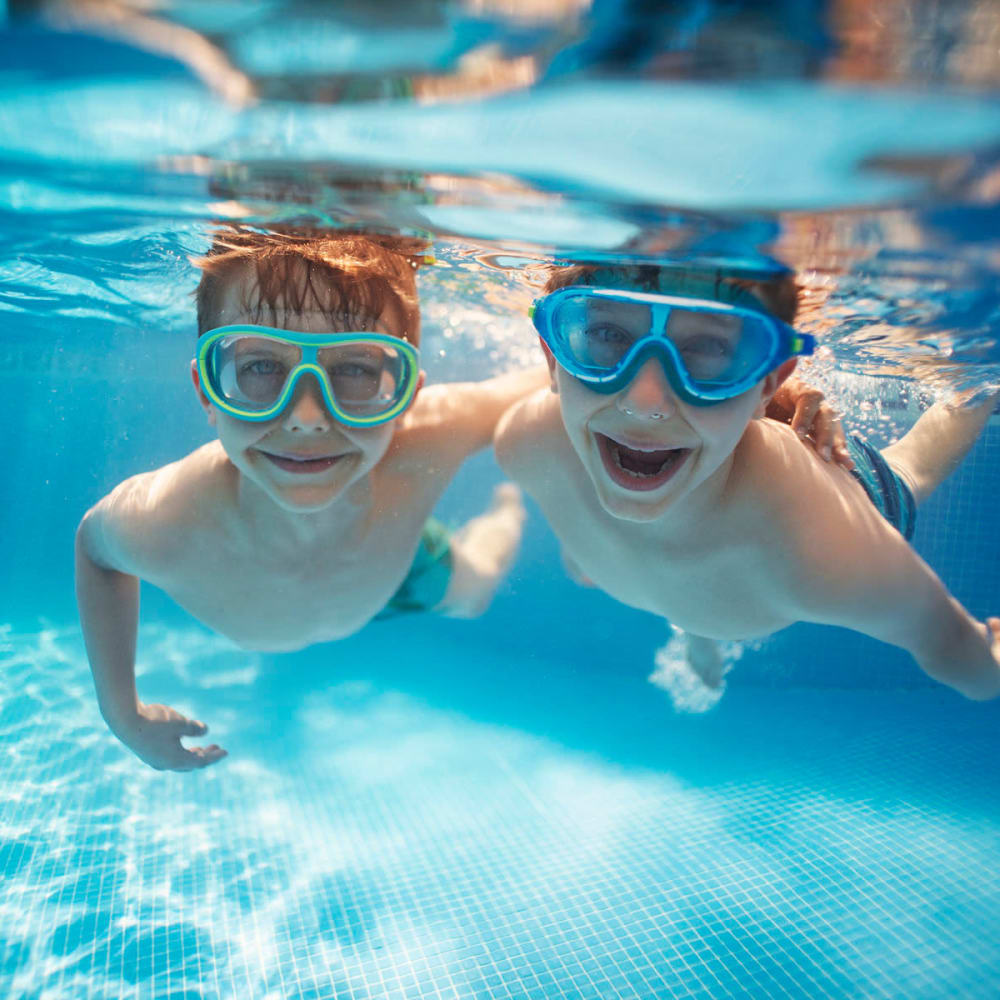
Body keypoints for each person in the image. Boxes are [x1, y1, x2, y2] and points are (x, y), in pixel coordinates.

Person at [75, 229, 545, 771]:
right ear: (207, 389)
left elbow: (560, 379)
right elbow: (94, 547)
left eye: (354, 370)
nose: (306, 416)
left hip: (398, 560)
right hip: (368, 569)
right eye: (258, 368)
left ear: (405, 397)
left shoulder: (431, 433)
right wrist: (121, 711)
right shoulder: (166, 517)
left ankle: (506, 508)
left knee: (475, 590)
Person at [495, 262, 1000, 701]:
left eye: (708, 347)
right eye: (607, 335)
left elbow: (948, 645)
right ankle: (698, 630)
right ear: (551, 357)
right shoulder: (528, 446)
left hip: (846, 490)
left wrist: (989, 669)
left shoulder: (814, 544)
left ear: (768, 384)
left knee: (924, 456)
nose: (645, 402)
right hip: (704, 587)